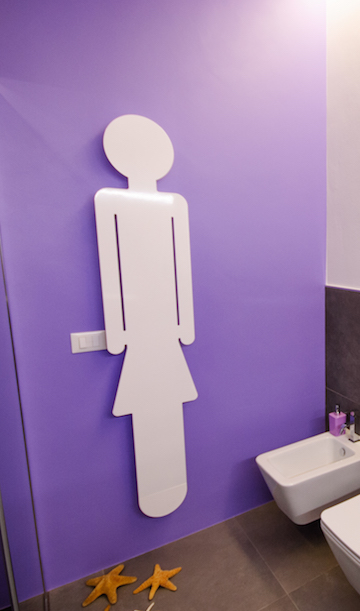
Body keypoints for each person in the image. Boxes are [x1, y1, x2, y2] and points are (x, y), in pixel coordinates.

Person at [95, 115, 197, 518]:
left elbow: (181, 268)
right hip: (143, 330)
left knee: (167, 397)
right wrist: (118, 331)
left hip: (162, 330)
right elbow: (111, 270)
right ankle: (158, 491)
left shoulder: (174, 206)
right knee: (145, 400)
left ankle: (170, 487)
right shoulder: (110, 202)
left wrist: (183, 325)